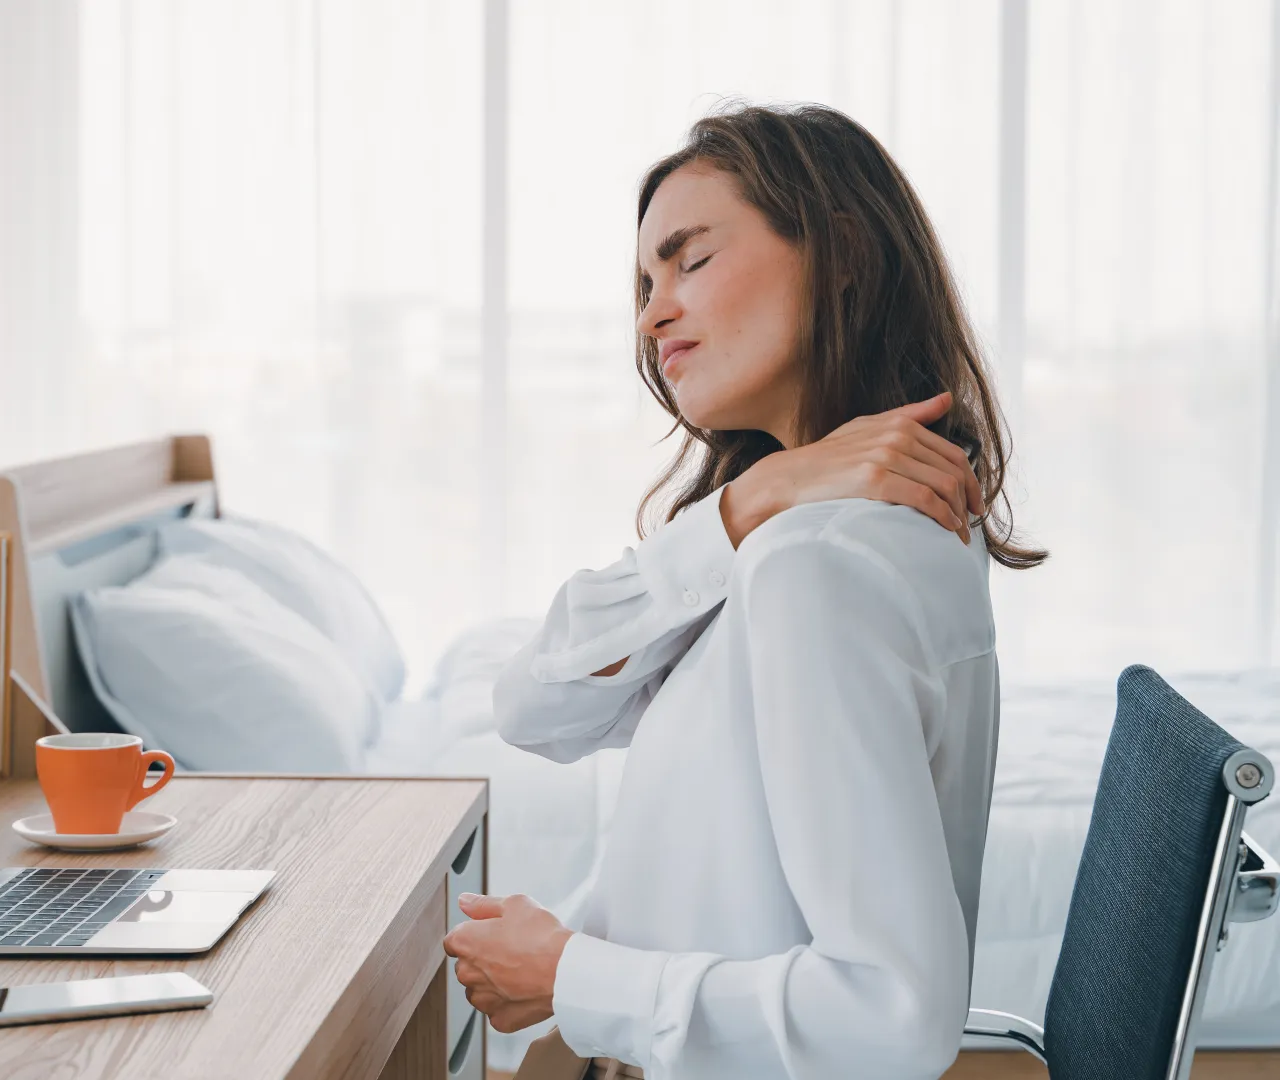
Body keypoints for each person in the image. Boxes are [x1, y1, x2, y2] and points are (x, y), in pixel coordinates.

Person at [442, 103, 1046, 1080]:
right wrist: (755, 496)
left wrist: (570, 977)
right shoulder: (792, 537)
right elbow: (535, 704)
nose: (651, 313)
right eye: (645, 282)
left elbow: (893, 1019)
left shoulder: (818, 568)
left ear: (842, 253)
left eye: (691, 260)